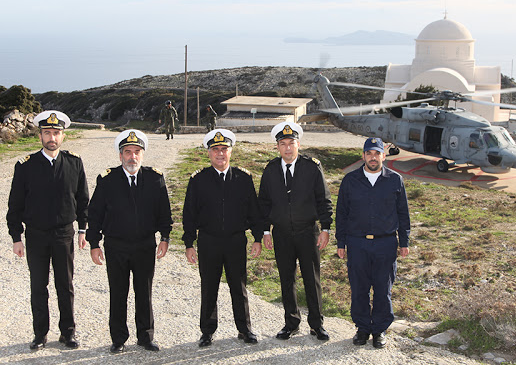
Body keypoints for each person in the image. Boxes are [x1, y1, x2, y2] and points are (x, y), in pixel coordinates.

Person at [7, 110, 89, 350]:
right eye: (47, 133)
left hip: (64, 233)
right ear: (40, 136)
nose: (51, 137)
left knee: (65, 285)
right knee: (38, 285)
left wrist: (83, 229)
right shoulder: (26, 166)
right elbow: (15, 204)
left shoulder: (74, 163)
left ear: (63, 136)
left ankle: (68, 333)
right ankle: (40, 334)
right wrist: (16, 237)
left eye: (56, 133)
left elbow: (83, 199)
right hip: (36, 235)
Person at [87, 129, 173, 354]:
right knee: (118, 292)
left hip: (145, 245)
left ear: (142, 155)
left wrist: (165, 238)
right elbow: (94, 214)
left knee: (144, 292)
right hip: (116, 246)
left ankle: (145, 337)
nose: (132, 157)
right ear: (120, 155)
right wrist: (94, 243)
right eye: (127, 152)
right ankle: (118, 338)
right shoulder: (107, 180)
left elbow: (164, 212)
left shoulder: (155, 178)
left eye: (136, 152)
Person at [183, 129, 266, 347]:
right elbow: (189, 214)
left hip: (235, 240)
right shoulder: (198, 180)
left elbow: (254, 212)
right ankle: (207, 331)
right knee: (209, 287)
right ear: (209, 153)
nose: (220, 153)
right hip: (208, 241)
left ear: (230, 152)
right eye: (215, 149)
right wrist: (189, 243)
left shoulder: (243, 178)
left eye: (224, 149)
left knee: (238, 287)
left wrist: (257, 238)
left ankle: (245, 329)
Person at [258, 122, 332, 341]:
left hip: (308, 232)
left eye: (292, 143)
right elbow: (264, 203)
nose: (288, 148)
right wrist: (265, 231)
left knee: (312, 279)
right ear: (277, 147)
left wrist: (326, 228)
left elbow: (323, 199)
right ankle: (291, 323)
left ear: (298, 144)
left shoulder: (312, 167)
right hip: (281, 233)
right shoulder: (270, 169)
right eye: (283, 144)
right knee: (286, 279)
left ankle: (317, 325)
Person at [335, 137, 410, 349]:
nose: (373, 157)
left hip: (385, 244)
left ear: (383, 156)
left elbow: (403, 213)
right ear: (363, 156)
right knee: (359, 288)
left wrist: (404, 241)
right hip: (357, 243)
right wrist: (341, 242)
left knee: (382, 288)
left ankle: (379, 329)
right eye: (369, 153)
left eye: (377, 153)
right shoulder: (350, 180)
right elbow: (342, 213)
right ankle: (362, 328)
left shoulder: (395, 180)